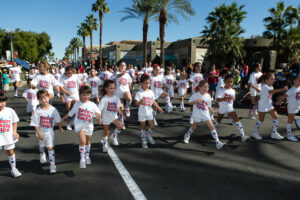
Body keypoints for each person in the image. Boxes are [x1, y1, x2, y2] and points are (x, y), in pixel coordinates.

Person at [61, 86, 101, 168]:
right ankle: (82, 159)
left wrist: (99, 117)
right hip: (79, 125)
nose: (85, 96)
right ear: (79, 95)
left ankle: (87, 156)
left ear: (90, 95)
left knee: (87, 142)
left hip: (89, 125)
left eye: (87, 95)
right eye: (83, 94)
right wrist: (63, 118)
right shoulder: (77, 104)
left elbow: (98, 113)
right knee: (83, 141)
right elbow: (71, 113)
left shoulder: (92, 105)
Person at [183, 80, 225, 150]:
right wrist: (195, 101)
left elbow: (209, 106)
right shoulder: (195, 95)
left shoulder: (208, 96)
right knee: (194, 127)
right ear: (200, 87)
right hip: (197, 114)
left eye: (207, 87)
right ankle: (187, 135)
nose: (206, 88)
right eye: (204, 87)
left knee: (212, 127)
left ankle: (217, 142)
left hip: (205, 114)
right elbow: (189, 103)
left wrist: (214, 111)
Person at [30, 90, 63, 174]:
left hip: (49, 132)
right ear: (38, 100)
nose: (44, 100)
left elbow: (58, 120)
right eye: (41, 99)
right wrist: (39, 133)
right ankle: (42, 153)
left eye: (45, 97)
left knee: (50, 147)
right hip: (40, 131)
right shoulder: (37, 111)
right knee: (42, 146)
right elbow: (35, 124)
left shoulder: (53, 110)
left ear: (48, 97)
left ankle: (52, 165)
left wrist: (60, 128)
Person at [251, 73, 288, 140]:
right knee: (261, 120)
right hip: (262, 105)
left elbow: (269, 95)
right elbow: (271, 92)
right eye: (272, 79)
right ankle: (254, 132)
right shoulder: (265, 86)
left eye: (274, 79)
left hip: (269, 104)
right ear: (266, 80)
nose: (273, 80)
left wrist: (274, 102)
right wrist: (282, 89)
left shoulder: (271, 86)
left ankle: (274, 133)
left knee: (276, 117)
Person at [214, 74, 249, 142]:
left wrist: (239, 99)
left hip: (230, 108)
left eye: (231, 82)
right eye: (228, 82)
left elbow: (233, 99)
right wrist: (225, 98)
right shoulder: (221, 90)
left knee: (237, 120)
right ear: (225, 82)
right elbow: (217, 99)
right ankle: (212, 130)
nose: (230, 83)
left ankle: (243, 135)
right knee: (218, 120)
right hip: (222, 108)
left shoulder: (233, 91)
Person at [135, 74, 163, 148]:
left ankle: (148, 135)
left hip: (149, 112)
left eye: (149, 83)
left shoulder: (151, 92)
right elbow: (136, 103)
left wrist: (159, 108)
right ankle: (144, 140)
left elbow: (153, 101)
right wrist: (140, 102)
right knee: (143, 127)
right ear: (141, 83)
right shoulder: (139, 93)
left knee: (152, 126)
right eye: (146, 83)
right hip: (142, 113)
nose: (148, 85)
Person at [98, 80, 125, 152]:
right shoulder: (104, 99)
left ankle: (113, 136)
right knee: (106, 131)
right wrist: (99, 118)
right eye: (111, 88)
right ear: (106, 89)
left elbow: (117, 108)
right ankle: (104, 144)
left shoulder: (116, 98)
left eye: (114, 88)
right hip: (106, 118)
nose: (113, 90)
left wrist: (122, 114)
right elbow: (99, 110)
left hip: (114, 117)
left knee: (120, 126)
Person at [0, 91, 22, 178]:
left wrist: (15, 132)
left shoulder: (10, 111)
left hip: (8, 136)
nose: (2, 104)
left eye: (3, 101)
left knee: (10, 151)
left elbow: (14, 121)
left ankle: (13, 169)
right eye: (0, 102)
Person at [276, 75, 300, 141]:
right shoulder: (292, 89)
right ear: (294, 81)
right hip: (292, 106)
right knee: (290, 120)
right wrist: (278, 102)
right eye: (299, 80)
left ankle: (298, 121)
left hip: (298, 106)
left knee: (293, 119)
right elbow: (284, 96)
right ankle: (289, 135)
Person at [59, 66, 82, 130]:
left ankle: (76, 122)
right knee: (68, 109)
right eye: (68, 73)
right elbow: (60, 87)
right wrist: (65, 92)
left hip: (75, 94)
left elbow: (80, 83)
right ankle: (68, 123)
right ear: (65, 72)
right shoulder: (62, 77)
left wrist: (82, 86)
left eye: (71, 73)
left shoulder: (75, 76)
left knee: (77, 108)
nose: (70, 74)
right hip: (67, 95)